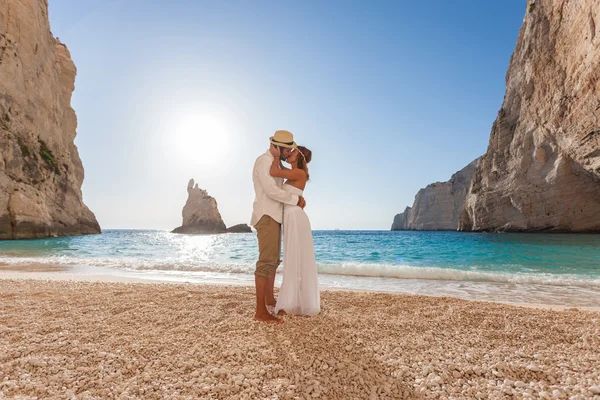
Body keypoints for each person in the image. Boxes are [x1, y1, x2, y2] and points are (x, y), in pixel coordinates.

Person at [250, 130, 306, 323]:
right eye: (287, 149)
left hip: (274, 217)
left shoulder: (274, 162)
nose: (288, 152)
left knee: (273, 261)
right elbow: (271, 190)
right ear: (278, 147)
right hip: (266, 216)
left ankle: (269, 300)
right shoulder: (264, 161)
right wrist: (295, 199)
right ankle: (260, 312)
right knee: (266, 262)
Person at [269, 144, 320, 316]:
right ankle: (294, 302)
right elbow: (279, 170)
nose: (289, 153)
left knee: (296, 258)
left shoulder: (299, 173)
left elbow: (274, 171)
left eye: (293, 151)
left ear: (299, 156)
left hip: (295, 217)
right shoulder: (293, 171)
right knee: (292, 257)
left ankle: (293, 304)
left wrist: (276, 156)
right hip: (290, 217)